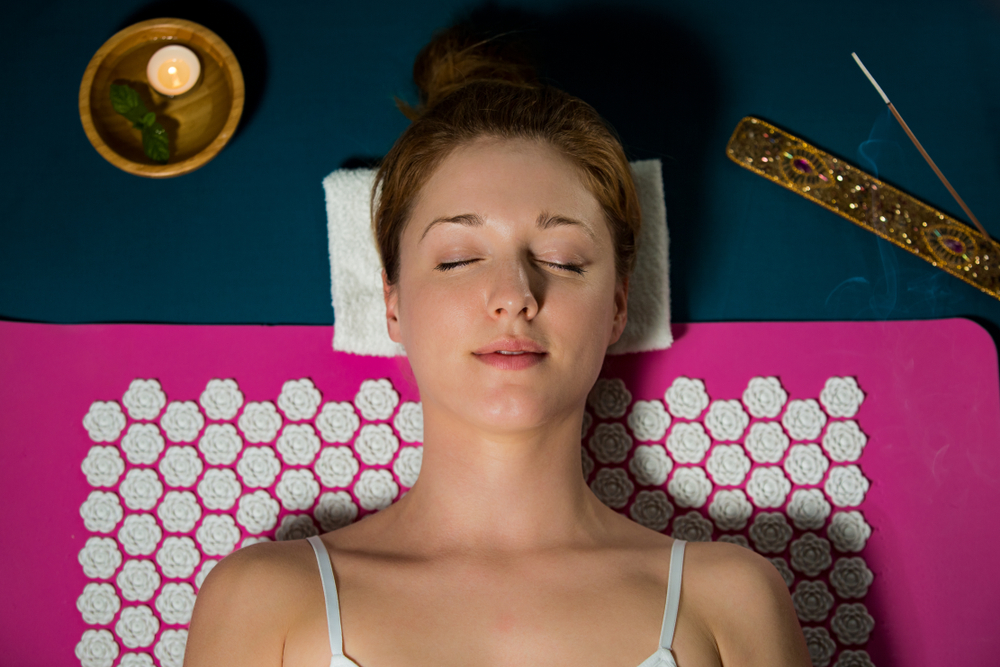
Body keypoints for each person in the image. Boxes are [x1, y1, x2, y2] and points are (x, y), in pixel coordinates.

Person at [185, 28, 811, 667]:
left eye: (562, 260)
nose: (514, 295)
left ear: (619, 304)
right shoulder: (265, 600)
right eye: (459, 259)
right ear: (392, 303)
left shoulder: (731, 600)